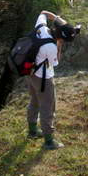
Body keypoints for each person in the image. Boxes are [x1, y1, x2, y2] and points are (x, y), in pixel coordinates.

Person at [27, 10, 64, 150]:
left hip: (30, 72)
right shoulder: (51, 46)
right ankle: (49, 141)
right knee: (48, 107)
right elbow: (55, 63)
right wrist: (59, 45)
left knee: (34, 101)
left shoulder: (41, 26)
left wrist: (58, 20)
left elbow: (43, 13)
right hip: (44, 78)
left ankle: (32, 131)